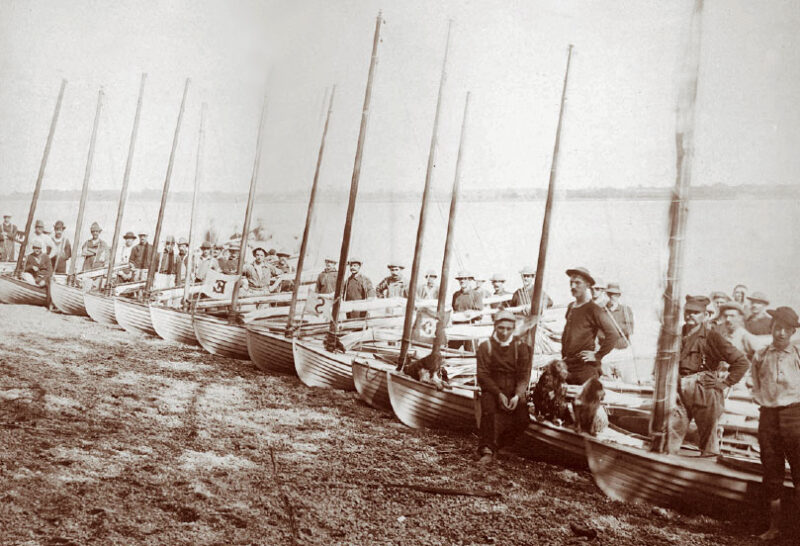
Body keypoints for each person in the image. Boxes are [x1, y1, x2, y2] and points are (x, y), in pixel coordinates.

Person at [667, 295, 750, 456]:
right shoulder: (677, 335)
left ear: (705, 315)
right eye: (688, 311)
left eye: (696, 312)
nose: (690, 315)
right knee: (671, 434)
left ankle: (708, 471)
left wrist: (724, 384)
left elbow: (742, 362)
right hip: (678, 389)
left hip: (703, 390)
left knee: (709, 443)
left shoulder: (713, 337)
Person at [750, 306, 800, 541]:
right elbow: (756, 383)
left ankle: (796, 530)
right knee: (771, 471)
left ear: (792, 332)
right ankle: (775, 527)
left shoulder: (798, 354)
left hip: (795, 416)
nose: (780, 333)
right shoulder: (760, 355)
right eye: (776, 327)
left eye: (786, 330)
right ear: (771, 328)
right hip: (768, 417)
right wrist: (764, 402)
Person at [476, 310, 532, 465]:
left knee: (523, 419)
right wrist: (498, 393)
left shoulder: (520, 348)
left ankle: (502, 445)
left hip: (513, 390)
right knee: (488, 411)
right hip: (492, 388)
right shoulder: (485, 346)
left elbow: (523, 375)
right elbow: (483, 374)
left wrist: (517, 395)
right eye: (501, 328)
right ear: (495, 326)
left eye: (508, 328)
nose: (504, 332)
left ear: (513, 329)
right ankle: (486, 450)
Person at [561, 267, 620, 385]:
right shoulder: (571, 307)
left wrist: (598, 355)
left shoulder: (593, 309)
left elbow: (613, 334)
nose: (573, 286)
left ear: (587, 285)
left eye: (578, 283)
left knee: (584, 402)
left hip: (585, 369)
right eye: (571, 283)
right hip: (568, 367)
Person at [605, 282, 634, 349]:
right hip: (606, 348)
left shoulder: (626, 310)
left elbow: (630, 329)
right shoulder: (602, 310)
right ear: (607, 294)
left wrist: (611, 330)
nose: (612, 296)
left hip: (622, 347)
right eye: (610, 294)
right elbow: (599, 332)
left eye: (615, 294)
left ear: (619, 295)